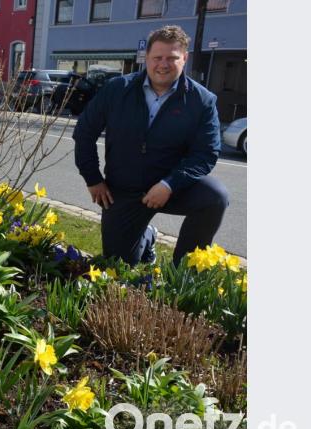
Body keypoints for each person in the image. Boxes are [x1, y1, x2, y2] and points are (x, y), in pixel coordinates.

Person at [73, 25, 228, 266]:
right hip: (123, 191)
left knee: (215, 197)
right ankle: (147, 236)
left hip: (172, 188)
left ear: (184, 59)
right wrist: (93, 178)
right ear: (147, 58)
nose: (163, 64)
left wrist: (169, 184)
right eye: (157, 58)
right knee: (118, 265)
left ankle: (184, 271)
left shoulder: (202, 101)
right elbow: (84, 133)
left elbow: (206, 153)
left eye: (172, 58)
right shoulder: (117, 90)